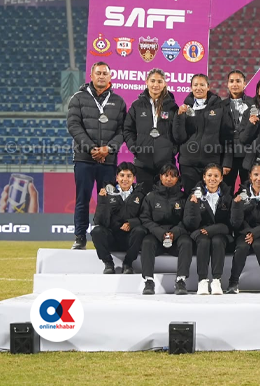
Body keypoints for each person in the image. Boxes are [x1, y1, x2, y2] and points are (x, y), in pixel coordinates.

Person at [68, 61, 127, 250]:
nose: (101, 76)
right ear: (91, 76)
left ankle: (107, 238)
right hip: (84, 158)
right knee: (82, 199)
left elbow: (123, 130)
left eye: (105, 73)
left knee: (109, 201)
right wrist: (92, 148)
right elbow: (73, 125)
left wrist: (108, 149)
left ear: (110, 77)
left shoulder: (118, 101)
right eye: (98, 73)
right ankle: (80, 237)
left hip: (108, 160)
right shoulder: (78, 98)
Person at [174, 74, 233, 192]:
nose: (198, 88)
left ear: (208, 87)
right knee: (191, 197)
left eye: (202, 85)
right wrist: (179, 117)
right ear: (191, 87)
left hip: (212, 164)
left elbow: (228, 136)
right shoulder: (184, 108)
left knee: (210, 198)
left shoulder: (220, 108)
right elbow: (179, 137)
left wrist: (227, 162)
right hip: (188, 163)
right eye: (195, 85)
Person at [138, 164, 191, 296]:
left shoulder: (184, 198)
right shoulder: (150, 197)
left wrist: (174, 233)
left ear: (177, 178)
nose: (169, 179)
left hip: (177, 237)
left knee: (186, 242)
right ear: (160, 177)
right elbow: (145, 218)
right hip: (156, 236)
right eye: (166, 175)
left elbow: (187, 220)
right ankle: (148, 281)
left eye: (173, 176)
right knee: (147, 242)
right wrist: (160, 233)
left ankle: (180, 281)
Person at [228, 163, 260, 294]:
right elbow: (236, 223)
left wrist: (255, 233)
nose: (259, 178)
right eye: (256, 174)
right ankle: (233, 282)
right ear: (250, 176)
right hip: (244, 233)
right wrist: (236, 206)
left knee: (259, 245)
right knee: (242, 247)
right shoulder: (240, 194)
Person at [184, 163, 233, 296]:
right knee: (204, 241)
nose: (212, 179)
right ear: (204, 177)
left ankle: (216, 280)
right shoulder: (195, 195)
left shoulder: (227, 196)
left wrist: (212, 230)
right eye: (209, 175)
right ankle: (202, 280)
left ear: (221, 178)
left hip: (220, 232)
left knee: (218, 241)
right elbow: (189, 224)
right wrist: (193, 206)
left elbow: (231, 224)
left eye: (216, 176)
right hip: (199, 232)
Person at [124, 68, 178, 188]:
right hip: (143, 163)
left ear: (165, 83)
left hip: (165, 163)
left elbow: (178, 132)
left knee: (165, 197)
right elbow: (128, 129)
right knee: (143, 197)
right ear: (146, 82)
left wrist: (172, 151)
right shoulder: (137, 105)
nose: (156, 85)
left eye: (159, 81)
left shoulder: (172, 107)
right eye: (152, 81)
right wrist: (134, 147)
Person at [91, 162, 147, 275]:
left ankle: (128, 264)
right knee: (96, 231)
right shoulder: (107, 193)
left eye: (129, 176)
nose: (125, 179)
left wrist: (131, 223)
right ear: (117, 177)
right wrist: (102, 201)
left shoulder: (141, 195)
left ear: (133, 178)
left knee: (140, 231)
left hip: (130, 238)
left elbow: (145, 218)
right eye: (122, 175)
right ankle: (108, 263)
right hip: (112, 236)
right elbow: (98, 221)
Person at [223, 69, 254, 193]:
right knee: (226, 191)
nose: (234, 84)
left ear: (244, 83)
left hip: (248, 154)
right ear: (227, 84)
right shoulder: (221, 105)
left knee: (248, 190)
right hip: (228, 155)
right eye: (231, 81)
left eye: (238, 81)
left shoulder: (253, 103)